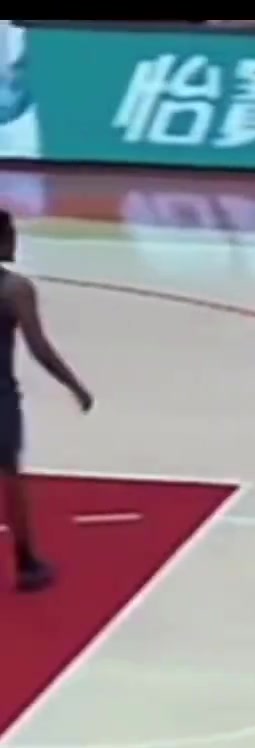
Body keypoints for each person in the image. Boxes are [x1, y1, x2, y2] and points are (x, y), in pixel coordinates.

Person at [0, 210, 93, 592]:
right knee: (10, 476)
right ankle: (26, 562)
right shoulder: (14, 289)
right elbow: (39, 349)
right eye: (11, 234)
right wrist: (74, 385)